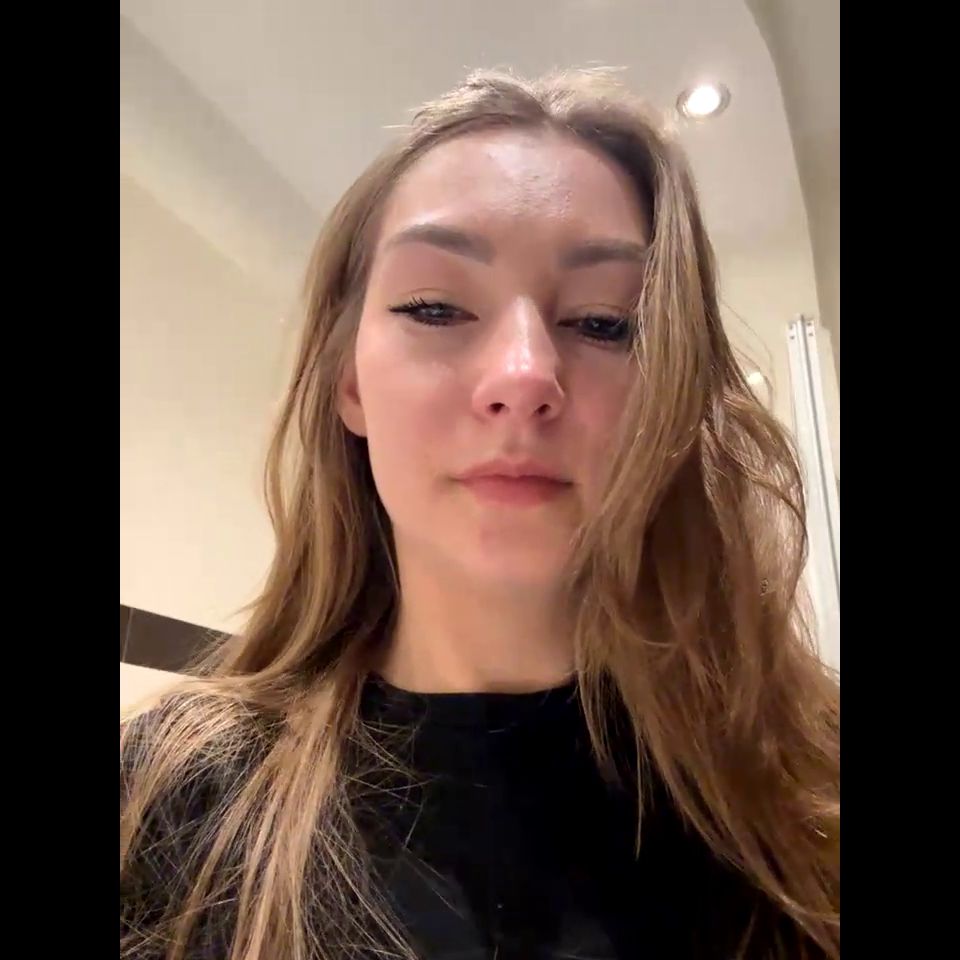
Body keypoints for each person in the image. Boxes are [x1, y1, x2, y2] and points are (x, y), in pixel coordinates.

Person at [120, 67, 840, 960]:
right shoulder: (165, 804)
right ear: (350, 383)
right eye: (436, 308)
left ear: (671, 392)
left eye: (605, 323)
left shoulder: (810, 795)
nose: (525, 375)